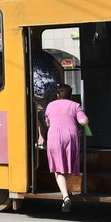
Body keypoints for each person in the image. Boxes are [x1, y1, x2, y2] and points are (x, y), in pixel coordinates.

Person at [45, 83, 89, 213]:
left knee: (58, 169)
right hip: (71, 136)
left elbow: (48, 122)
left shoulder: (50, 105)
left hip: (54, 136)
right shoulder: (75, 105)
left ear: (58, 95)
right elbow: (83, 121)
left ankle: (65, 196)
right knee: (69, 166)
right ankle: (66, 193)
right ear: (70, 95)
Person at [31, 32, 64, 149]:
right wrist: (61, 84)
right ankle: (46, 137)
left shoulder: (29, 56)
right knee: (50, 113)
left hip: (38, 89)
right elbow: (60, 68)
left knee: (41, 115)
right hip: (52, 87)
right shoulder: (47, 56)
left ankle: (45, 139)